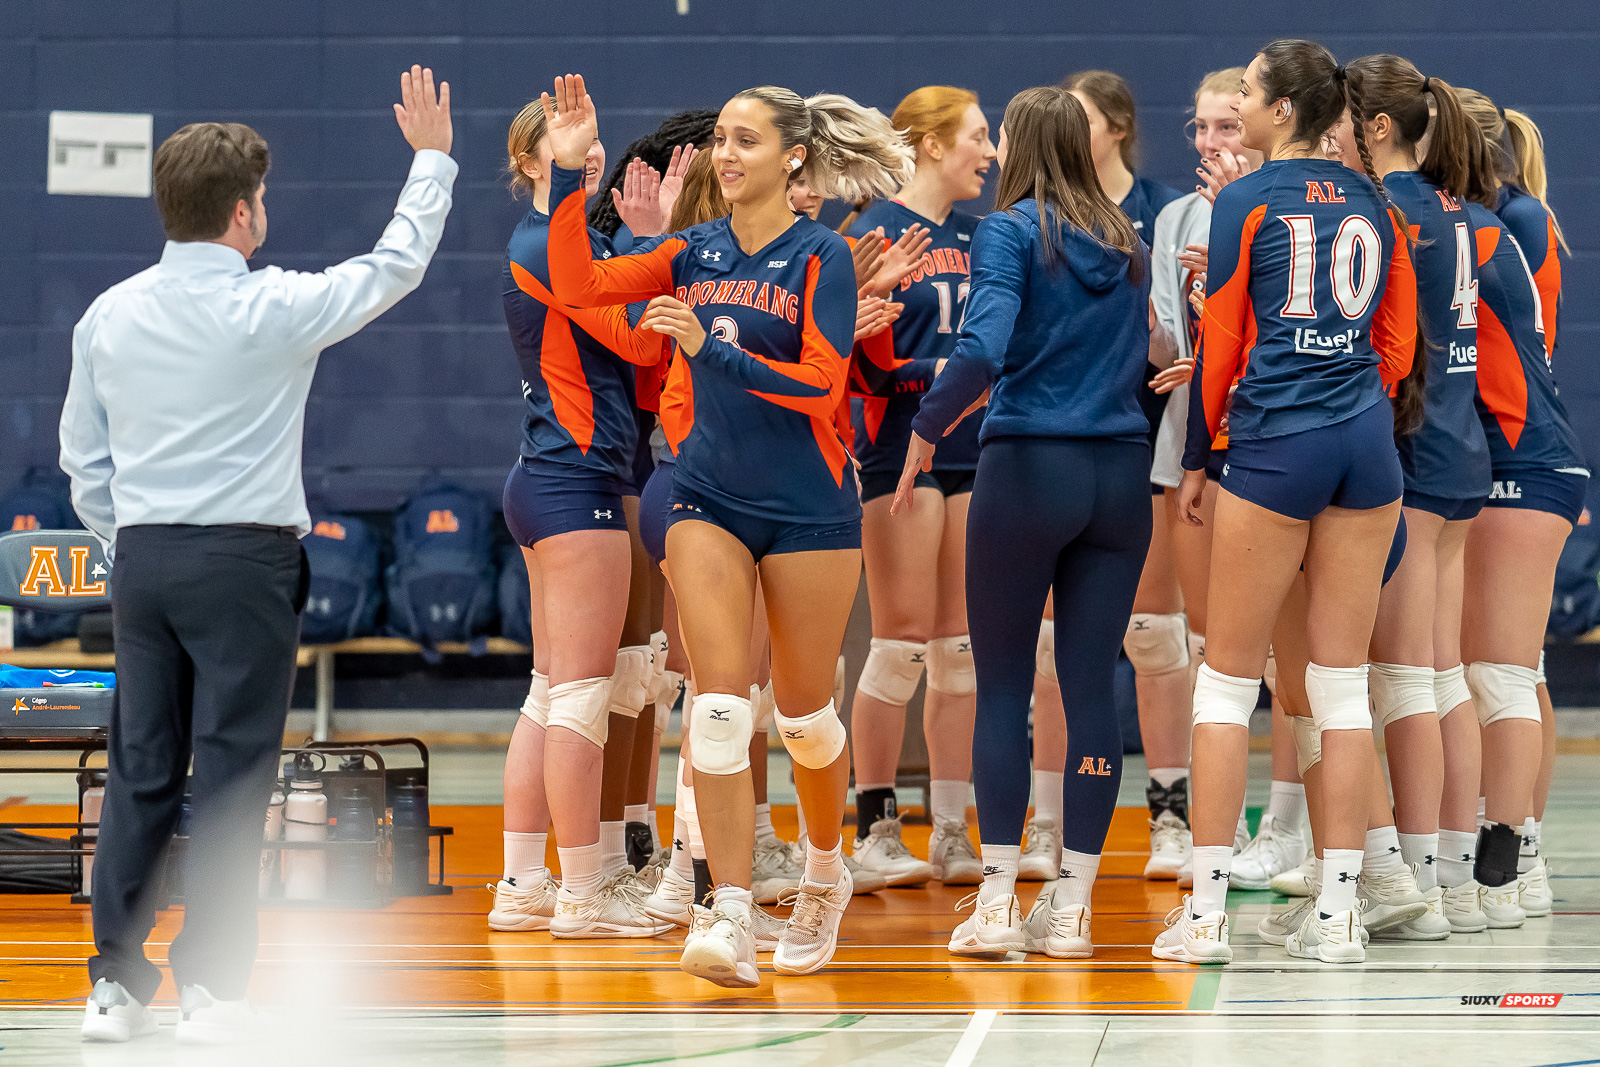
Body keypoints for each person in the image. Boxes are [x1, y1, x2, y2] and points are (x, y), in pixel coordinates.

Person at [61, 67, 456, 1044]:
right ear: (244, 214)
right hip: (246, 563)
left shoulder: (106, 315)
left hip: (145, 560)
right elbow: (395, 264)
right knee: (235, 777)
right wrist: (435, 158)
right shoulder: (275, 307)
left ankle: (112, 988)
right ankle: (211, 992)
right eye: (264, 199)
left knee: (142, 766)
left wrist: (126, 540)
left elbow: (82, 459)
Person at [542, 74, 913, 987]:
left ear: (793, 157)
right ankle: (730, 909)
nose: (726, 155)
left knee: (802, 717)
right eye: (722, 140)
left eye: (747, 140)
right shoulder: (690, 252)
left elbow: (823, 386)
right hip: (708, 496)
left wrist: (716, 349)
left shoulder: (821, 252)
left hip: (810, 506)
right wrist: (564, 174)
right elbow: (576, 281)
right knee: (715, 704)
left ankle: (825, 871)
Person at [1154, 40, 1417, 966]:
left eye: (1250, 94)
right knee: (1340, 688)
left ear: (1280, 112)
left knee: (1227, 685)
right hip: (1365, 445)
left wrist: (1199, 453)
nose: (1240, 100)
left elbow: (1219, 337)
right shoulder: (1374, 200)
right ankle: (1341, 911)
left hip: (1274, 445)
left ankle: (1207, 914)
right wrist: (1353, 404)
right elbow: (1398, 341)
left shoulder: (1244, 199)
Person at [895, 84, 1153, 960]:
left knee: (1003, 684)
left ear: (1026, 147)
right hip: (1118, 477)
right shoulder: (1128, 240)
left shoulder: (1009, 231)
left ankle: (1000, 901)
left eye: (1004, 136)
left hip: (1027, 467)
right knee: (1088, 692)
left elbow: (982, 346)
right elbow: (1159, 347)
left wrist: (927, 430)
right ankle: (1073, 904)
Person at [488, 95, 678, 940]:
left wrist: (635, 244)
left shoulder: (583, 246)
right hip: (573, 484)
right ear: (531, 162)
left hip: (555, 481)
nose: (590, 153)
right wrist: (660, 241)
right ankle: (585, 889)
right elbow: (643, 342)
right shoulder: (543, 248)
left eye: (595, 141)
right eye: (568, 146)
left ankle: (524, 883)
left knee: (551, 693)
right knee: (582, 697)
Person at [1338, 55, 1493, 941]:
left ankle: (1425, 890)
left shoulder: (1389, 208)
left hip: (1416, 455)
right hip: (1459, 452)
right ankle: (1456, 885)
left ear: (1377, 129)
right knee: (1443, 676)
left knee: (1406, 679)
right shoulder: (1451, 207)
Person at [843, 86, 996, 889]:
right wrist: (936, 373)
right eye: (977, 135)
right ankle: (874, 825)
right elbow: (850, 356)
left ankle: (949, 826)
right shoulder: (871, 232)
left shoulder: (978, 237)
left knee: (958, 648)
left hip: (973, 446)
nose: (990, 151)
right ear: (932, 144)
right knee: (898, 641)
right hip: (898, 442)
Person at [1457, 87, 1586, 926]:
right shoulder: (1497, 218)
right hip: (1514, 455)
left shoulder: (1509, 223)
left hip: (1520, 458)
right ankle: (1517, 850)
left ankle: (1510, 861)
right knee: (1512, 669)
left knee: (1500, 673)